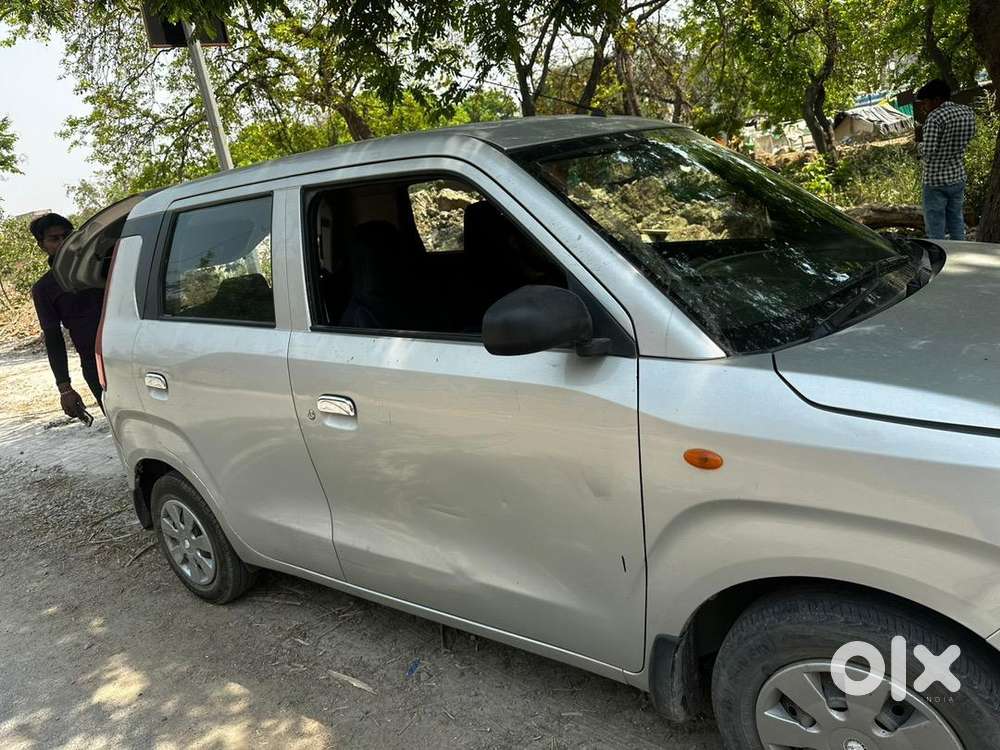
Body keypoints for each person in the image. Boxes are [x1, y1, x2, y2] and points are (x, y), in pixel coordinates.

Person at [29, 213, 105, 419]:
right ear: (41, 245)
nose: (63, 243)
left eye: (67, 235)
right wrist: (65, 388)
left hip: (134, 353)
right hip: (96, 365)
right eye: (54, 239)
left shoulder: (103, 266)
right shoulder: (44, 288)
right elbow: (54, 339)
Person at [915, 78, 976, 240]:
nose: (924, 106)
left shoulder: (935, 117)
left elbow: (928, 151)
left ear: (937, 99)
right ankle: (960, 256)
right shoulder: (966, 112)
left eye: (926, 102)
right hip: (957, 177)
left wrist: (917, 146)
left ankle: (940, 260)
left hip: (935, 181)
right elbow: (970, 137)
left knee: (935, 228)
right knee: (956, 220)